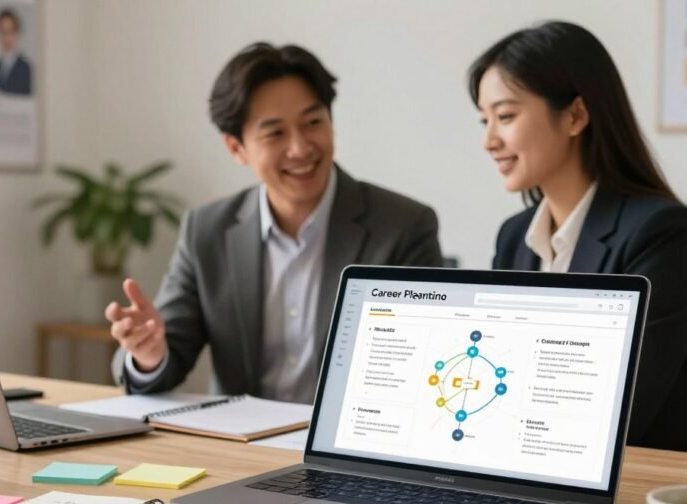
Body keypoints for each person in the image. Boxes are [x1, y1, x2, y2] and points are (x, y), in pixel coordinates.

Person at [106, 42, 443, 404]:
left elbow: (422, 366)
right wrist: (149, 352)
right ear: (237, 148)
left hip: (348, 451)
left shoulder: (404, 226)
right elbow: (168, 352)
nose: (300, 148)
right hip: (242, 450)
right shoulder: (207, 230)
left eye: (313, 123)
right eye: (275, 133)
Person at [469, 21, 687, 453]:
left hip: (639, 483)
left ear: (576, 115)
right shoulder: (514, 238)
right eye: (484, 119)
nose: (488, 140)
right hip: (525, 467)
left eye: (505, 116)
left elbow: (620, 409)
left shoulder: (661, 233)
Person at [0, 8, 32, 99]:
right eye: (3, 32)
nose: (7, 38)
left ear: (17, 33)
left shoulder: (26, 69)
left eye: (11, 32)